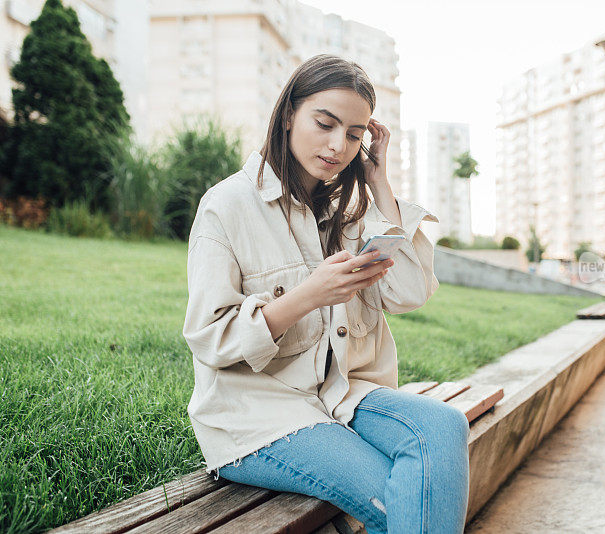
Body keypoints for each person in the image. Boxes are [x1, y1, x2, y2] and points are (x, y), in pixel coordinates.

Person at [182, 54, 470, 534]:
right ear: (290, 113)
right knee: (401, 500)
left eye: (355, 135)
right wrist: (309, 294)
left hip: (342, 394)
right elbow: (210, 340)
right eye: (325, 123)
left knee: (444, 428)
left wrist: (379, 183)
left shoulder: (351, 213)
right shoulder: (226, 207)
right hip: (259, 416)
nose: (339, 145)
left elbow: (410, 293)